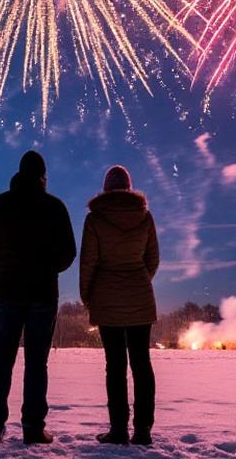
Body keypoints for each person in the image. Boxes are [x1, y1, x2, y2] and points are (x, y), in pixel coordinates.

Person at [0, 150, 76, 445]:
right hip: (43, 295)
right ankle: (33, 427)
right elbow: (69, 252)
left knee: (1, 360)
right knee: (36, 363)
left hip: (6, 293)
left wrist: (1, 271)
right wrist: (48, 270)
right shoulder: (55, 207)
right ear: (43, 176)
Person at [79, 164, 160, 446]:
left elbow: (88, 262)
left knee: (115, 366)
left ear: (106, 189)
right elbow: (153, 259)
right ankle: (143, 430)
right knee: (142, 364)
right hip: (140, 297)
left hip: (107, 299)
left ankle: (118, 429)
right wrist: (138, 281)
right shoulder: (145, 217)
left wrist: (88, 296)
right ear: (129, 187)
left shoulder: (94, 220)